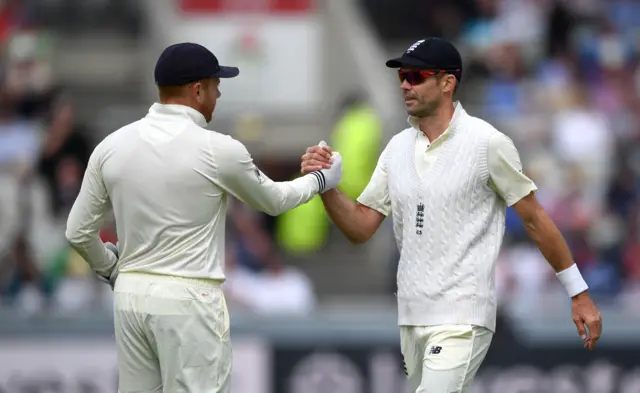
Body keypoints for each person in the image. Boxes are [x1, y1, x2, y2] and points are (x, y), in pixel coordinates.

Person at [300, 37, 602, 393]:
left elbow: (535, 219)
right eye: (402, 77)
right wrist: (326, 188)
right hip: (412, 316)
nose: (404, 85)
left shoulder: (486, 143)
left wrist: (578, 293)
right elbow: (361, 227)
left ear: (448, 83)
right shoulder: (396, 148)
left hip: (463, 315)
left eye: (416, 76)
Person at [65, 42, 342, 393]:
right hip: (189, 298)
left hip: (130, 296)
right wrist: (321, 180)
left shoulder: (111, 146)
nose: (219, 92)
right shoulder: (218, 149)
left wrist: (110, 268)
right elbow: (273, 200)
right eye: (215, 84)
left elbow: (77, 232)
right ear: (197, 90)